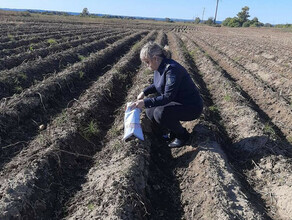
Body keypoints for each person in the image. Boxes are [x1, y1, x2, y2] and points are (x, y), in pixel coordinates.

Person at [130, 42, 203, 148]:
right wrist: (144, 92)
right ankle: (173, 130)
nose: (147, 65)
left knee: (161, 113)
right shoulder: (159, 67)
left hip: (191, 107)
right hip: (178, 102)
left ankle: (182, 136)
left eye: (147, 62)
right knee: (150, 111)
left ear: (155, 58)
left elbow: (168, 97)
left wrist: (144, 102)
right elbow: (157, 84)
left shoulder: (172, 70)